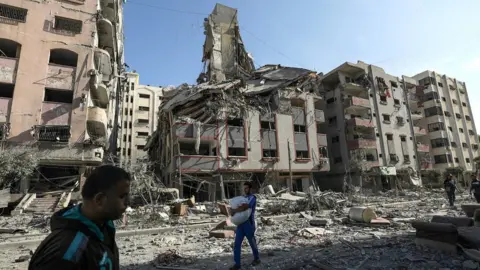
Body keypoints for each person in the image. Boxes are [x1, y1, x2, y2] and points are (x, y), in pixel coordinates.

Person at [29, 165, 131, 270]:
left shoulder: (104, 227)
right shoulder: (68, 251)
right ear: (99, 200)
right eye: (122, 196)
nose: (128, 202)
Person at [230, 182, 260, 270]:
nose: (245, 189)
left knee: (252, 242)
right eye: (244, 188)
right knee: (237, 244)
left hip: (249, 223)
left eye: (246, 188)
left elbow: (246, 207)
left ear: (250, 189)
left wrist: (234, 210)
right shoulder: (243, 198)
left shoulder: (252, 198)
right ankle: (237, 264)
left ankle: (257, 258)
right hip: (240, 224)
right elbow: (238, 207)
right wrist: (233, 212)